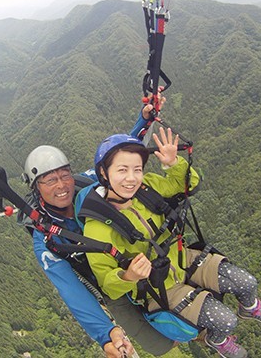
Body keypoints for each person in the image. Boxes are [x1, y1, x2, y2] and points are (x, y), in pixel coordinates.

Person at [79, 128, 261, 358]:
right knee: (226, 321)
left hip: (181, 257)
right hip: (158, 288)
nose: (132, 178)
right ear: (104, 174)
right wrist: (129, 276)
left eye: (137, 169)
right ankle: (217, 341)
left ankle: (250, 307)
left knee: (247, 283)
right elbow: (107, 284)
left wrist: (174, 163)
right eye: (122, 170)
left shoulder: (147, 186)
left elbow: (188, 184)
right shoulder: (97, 228)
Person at [22, 102, 174, 358]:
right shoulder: (46, 239)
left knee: (184, 320)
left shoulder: (85, 182)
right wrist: (106, 334)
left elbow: (118, 159)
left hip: (141, 264)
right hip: (113, 289)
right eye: (49, 180)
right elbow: (71, 291)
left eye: (64, 175)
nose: (61, 185)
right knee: (163, 347)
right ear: (36, 188)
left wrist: (144, 119)